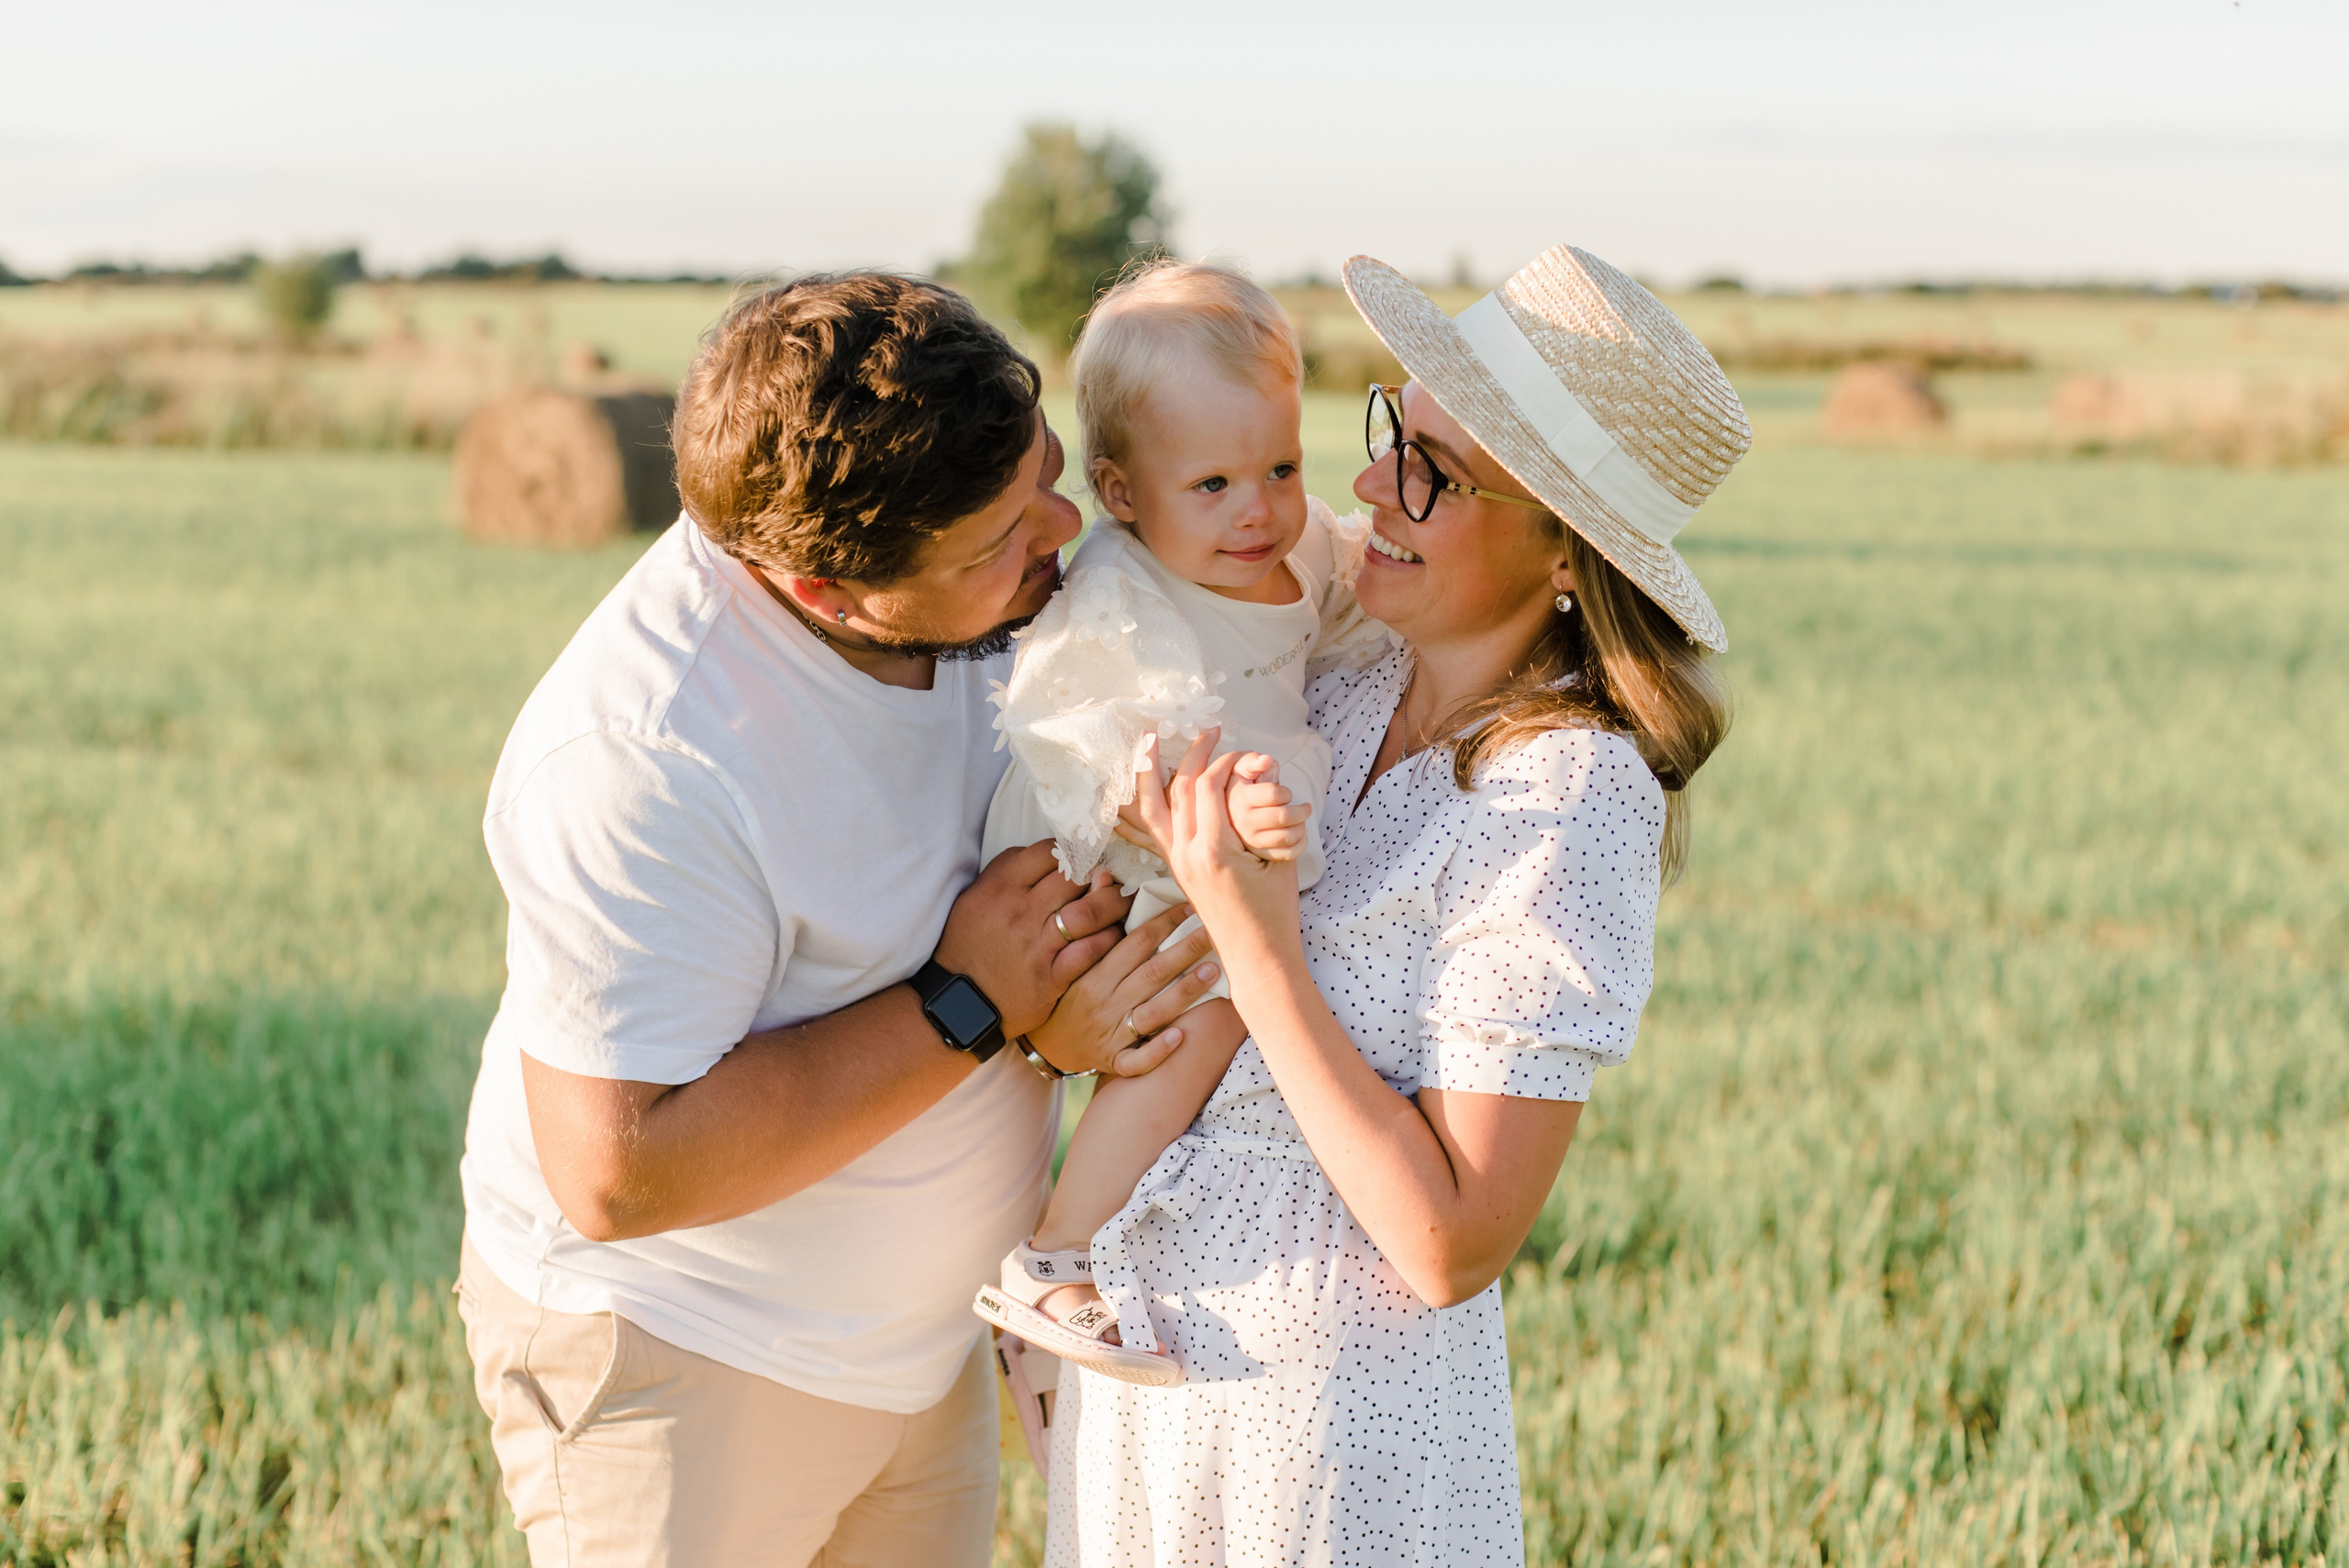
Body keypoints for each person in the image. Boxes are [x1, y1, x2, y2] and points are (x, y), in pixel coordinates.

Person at [453, 272, 1222, 1568]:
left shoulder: (1006, 589)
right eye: (996, 539)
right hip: (685, 1368)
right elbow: (620, 1168)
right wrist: (970, 1001)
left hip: (920, 1355)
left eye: (1043, 468)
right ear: (829, 593)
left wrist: (1057, 1017)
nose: (1064, 525)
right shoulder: (646, 754)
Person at [1043, 244, 1752, 1566]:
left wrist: (1257, 945)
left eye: (1433, 470)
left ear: (1564, 547)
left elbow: (1449, 1243)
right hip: (1152, 1376)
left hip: (1327, 1430)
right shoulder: (1343, 682)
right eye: (1390, 434)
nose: (1371, 485)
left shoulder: (1566, 789)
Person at [970, 261, 1391, 1385]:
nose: (1258, 508)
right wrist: (1219, 797)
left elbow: (1345, 598)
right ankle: (1054, 1252)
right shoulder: (1121, 594)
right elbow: (1087, 733)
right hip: (1113, 849)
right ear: (1119, 490)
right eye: (1211, 482)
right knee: (1205, 1012)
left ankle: (1137, 1233)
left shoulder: (1284, 547)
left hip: (1215, 832)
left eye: (1282, 467)